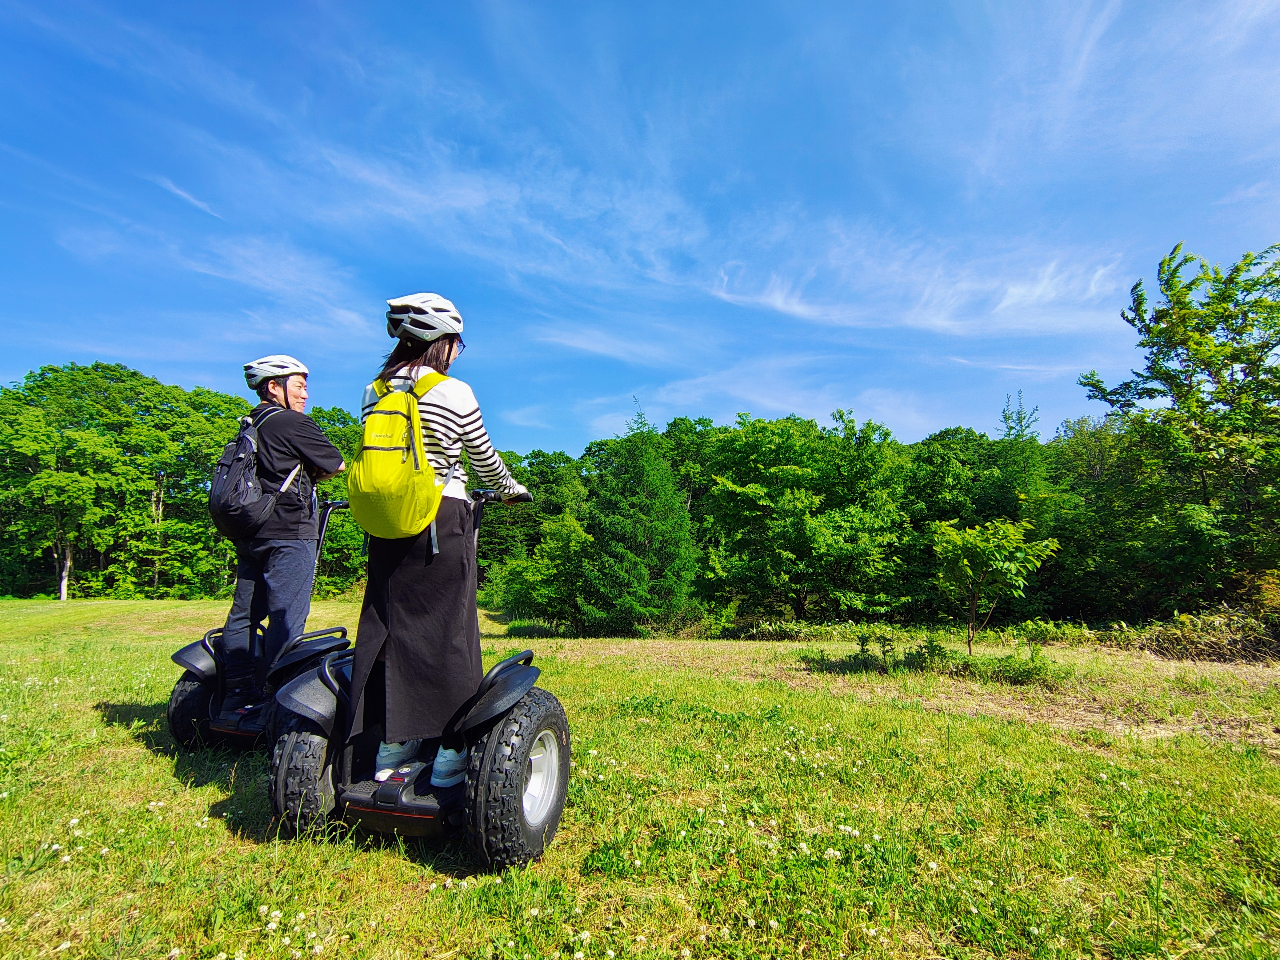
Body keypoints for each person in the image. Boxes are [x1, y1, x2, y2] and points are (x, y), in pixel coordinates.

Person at [347, 293, 528, 787]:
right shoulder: (454, 392)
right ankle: (450, 751)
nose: (456, 352)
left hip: (386, 524)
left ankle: (393, 743)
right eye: (456, 343)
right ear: (440, 342)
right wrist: (510, 490)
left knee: (391, 627)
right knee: (451, 630)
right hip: (439, 516)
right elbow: (483, 459)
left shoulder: (372, 392)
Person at [217, 355, 346, 723]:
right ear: (274, 387)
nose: (306, 393)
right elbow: (336, 463)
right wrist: (314, 471)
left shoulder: (251, 422)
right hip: (290, 532)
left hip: (252, 530)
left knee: (244, 614)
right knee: (286, 619)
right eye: (299, 386)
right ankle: (277, 703)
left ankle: (238, 696)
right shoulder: (292, 421)